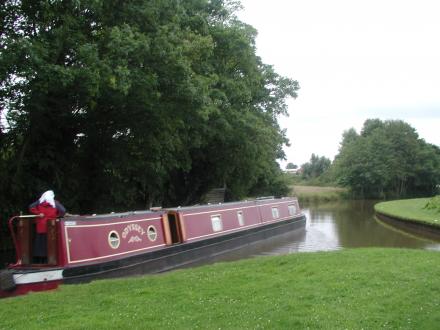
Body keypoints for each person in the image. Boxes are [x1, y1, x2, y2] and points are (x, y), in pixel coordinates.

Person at [29, 190, 66, 263]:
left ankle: (38, 261)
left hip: (40, 226)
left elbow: (31, 207)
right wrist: (57, 215)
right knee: (50, 243)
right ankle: (49, 260)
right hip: (51, 226)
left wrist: (38, 213)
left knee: (40, 243)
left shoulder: (40, 202)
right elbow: (63, 210)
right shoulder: (55, 203)